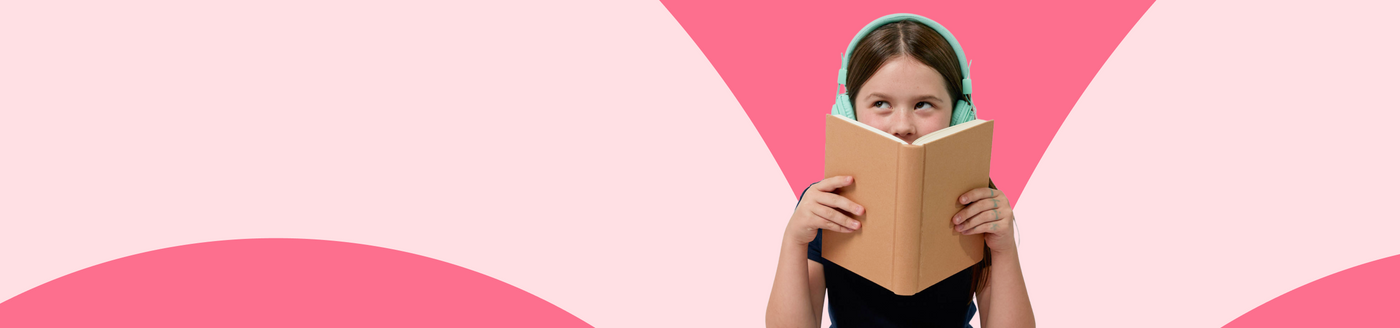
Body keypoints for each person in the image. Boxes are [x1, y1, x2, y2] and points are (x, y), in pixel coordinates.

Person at [765, 14, 1034, 328]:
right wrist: (794, 240)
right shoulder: (826, 202)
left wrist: (1003, 249)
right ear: (849, 112)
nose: (903, 126)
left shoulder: (978, 202)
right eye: (881, 103)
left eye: (923, 104)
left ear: (960, 115)